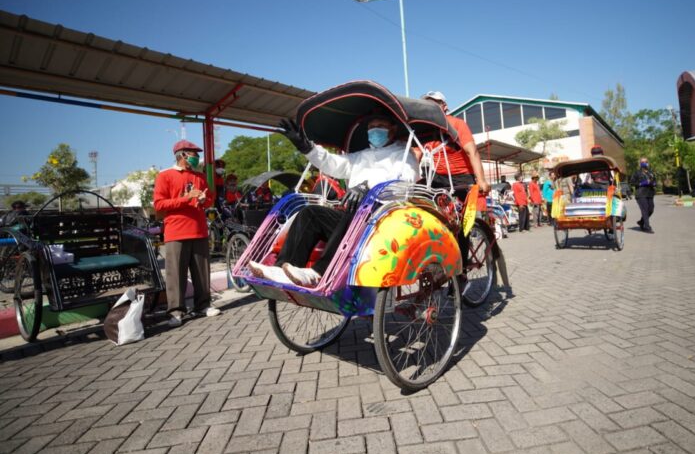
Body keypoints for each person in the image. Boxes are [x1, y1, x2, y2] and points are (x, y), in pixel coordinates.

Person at [250, 113, 419, 287]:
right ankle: (283, 268)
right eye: (371, 127)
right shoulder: (361, 156)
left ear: (393, 129)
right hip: (352, 220)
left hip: (382, 222)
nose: (375, 131)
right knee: (310, 213)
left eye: (380, 126)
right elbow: (333, 163)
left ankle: (318, 272)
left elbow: (405, 181)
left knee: (356, 208)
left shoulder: (404, 154)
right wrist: (307, 148)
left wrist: (368, 187)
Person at [153, 140, 221, 327]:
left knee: (202, 272)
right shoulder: (164, 176)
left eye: (196, 154)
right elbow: (159, 205)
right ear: (182, 155)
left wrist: (204, 199)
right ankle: (176, 311)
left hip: (198, 229)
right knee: (176, 274)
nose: (196, 157)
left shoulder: (198, 177)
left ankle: (203, 305)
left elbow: (208, 201)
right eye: (193, 153)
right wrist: (185, 198)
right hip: (176, 231)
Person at [420, 91, 491, 194]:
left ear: (444, 106)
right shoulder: (423, 128)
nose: (430, 107)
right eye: (427, 104)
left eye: (434, 104)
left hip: (462, 176)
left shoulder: (457, 123)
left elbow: (472, 152)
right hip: (438, 176)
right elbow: (416, 154)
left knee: (467, 209)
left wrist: (481, 180)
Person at [629, 157, 656, 233]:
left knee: (650, 210)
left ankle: (641, 222)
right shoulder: (637, 173)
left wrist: (653, 183)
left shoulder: (651, 172)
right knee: (645, 210)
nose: (644, 163)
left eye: (645, 161)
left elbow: (654, 181)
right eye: (642, 162)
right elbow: (632, 182)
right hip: (640, 194)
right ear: (640, 163)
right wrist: (641, 183)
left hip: (650, 193)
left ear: (648, 162)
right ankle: (647, 227)